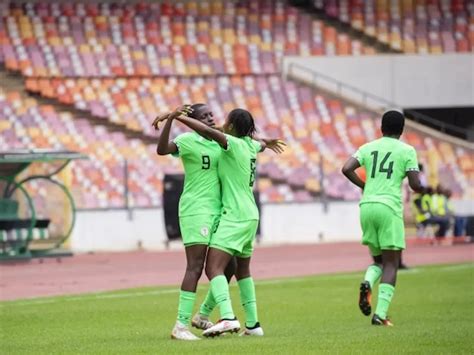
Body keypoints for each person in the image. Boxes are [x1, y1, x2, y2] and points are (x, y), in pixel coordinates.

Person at [170, 108, 285, 337]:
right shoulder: (252, 145)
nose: (219, 122)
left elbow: (206, 130)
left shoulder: (231, 143)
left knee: (213, 267)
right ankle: (252, 325)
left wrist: (176, 117)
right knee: (241, 269)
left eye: (226, 121)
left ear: (231, 127)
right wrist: (264, 140)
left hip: (233, 214)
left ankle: (228, 318)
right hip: (251, 213)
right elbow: (258, 143)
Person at [154, 104, 237, 340]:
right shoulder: (187, 140)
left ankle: (202, 315)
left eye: (212, 114)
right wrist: (171, 118)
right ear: (194, 120)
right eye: (204, 116)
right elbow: (161, 150)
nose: (211, 118)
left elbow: (240, 134)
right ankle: (180, 326)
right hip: (195, 210)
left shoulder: (219, 140)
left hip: (219, 211)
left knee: (228, 264)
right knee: (196, 266)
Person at [342, 110, 422, 326]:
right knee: (392, 263)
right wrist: (423, 186)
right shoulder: (407, 150)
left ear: (381, 128)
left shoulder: (368, 147)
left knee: (378, 260)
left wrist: (365, 186)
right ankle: (380, 315)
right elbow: (415, 185)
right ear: (402, 129)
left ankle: (368, 281)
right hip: (389, 208)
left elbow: (346, 168)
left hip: (367, 207)